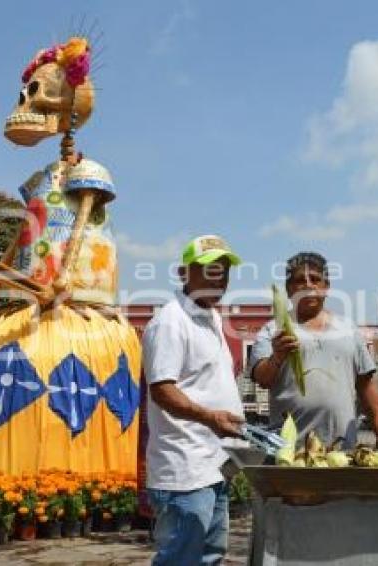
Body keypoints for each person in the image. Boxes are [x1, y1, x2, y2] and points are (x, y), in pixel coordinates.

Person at [143, 234, 245, 566]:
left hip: (212, 467)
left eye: (225, 272)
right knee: (181, 559)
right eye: (210, 270)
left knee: (210, 556)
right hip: (184, 471)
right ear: (184, 273)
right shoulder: (171, 321)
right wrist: (210, 418)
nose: (220, 279)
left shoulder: (212, 317)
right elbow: (162, 389)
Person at [249, 251, 378, 449]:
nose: (308, 285)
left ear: (326, 287)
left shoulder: (348, 329)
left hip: (342, 449)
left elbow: (366, 386)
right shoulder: (272, 330)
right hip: (290, 451)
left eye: (315, 279)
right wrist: (277, 357)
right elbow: (262, 379)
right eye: (300, 280)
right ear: (289, 290)